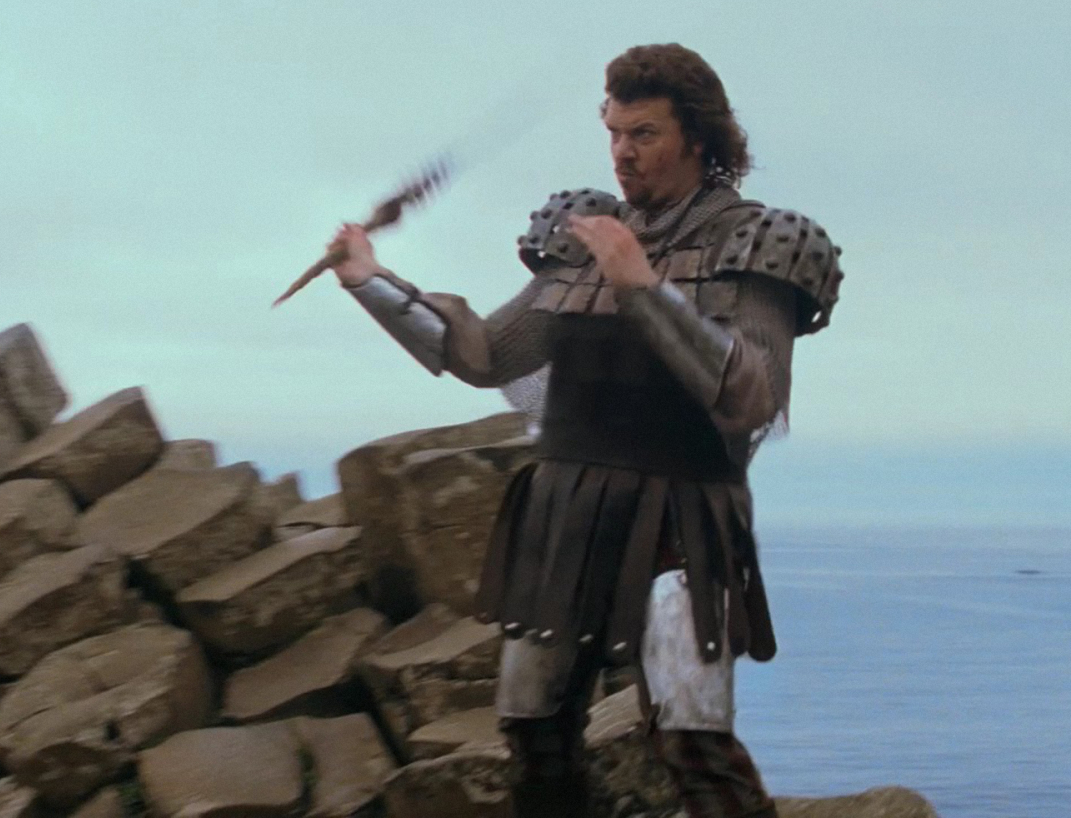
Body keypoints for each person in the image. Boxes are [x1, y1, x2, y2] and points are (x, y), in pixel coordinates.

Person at [331, 43, 842, 818]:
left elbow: (751, 396)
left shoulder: (754, 241)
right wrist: (371, 280)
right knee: (533, 726)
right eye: (614, 132)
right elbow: (484, 354)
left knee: (693, 737)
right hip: (566, 513)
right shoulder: (583, 237)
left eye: (644, 134)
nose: (622, 152)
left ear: (698, 137)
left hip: (682, 521)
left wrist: (644, 288)